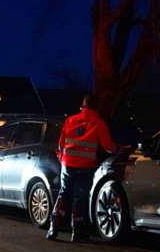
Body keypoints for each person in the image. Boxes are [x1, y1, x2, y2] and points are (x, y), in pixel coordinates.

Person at [48, 93, 118, 242]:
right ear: (97, 106)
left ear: (84, 104)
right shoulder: (98, 123)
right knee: (80, 198)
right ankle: (77, 231)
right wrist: (124, 149)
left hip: (68, 164)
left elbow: (61, 144)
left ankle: (53, 226)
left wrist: (62, 158)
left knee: (63, 194)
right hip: (86, 166)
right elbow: (109, 147)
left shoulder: (70, 120)